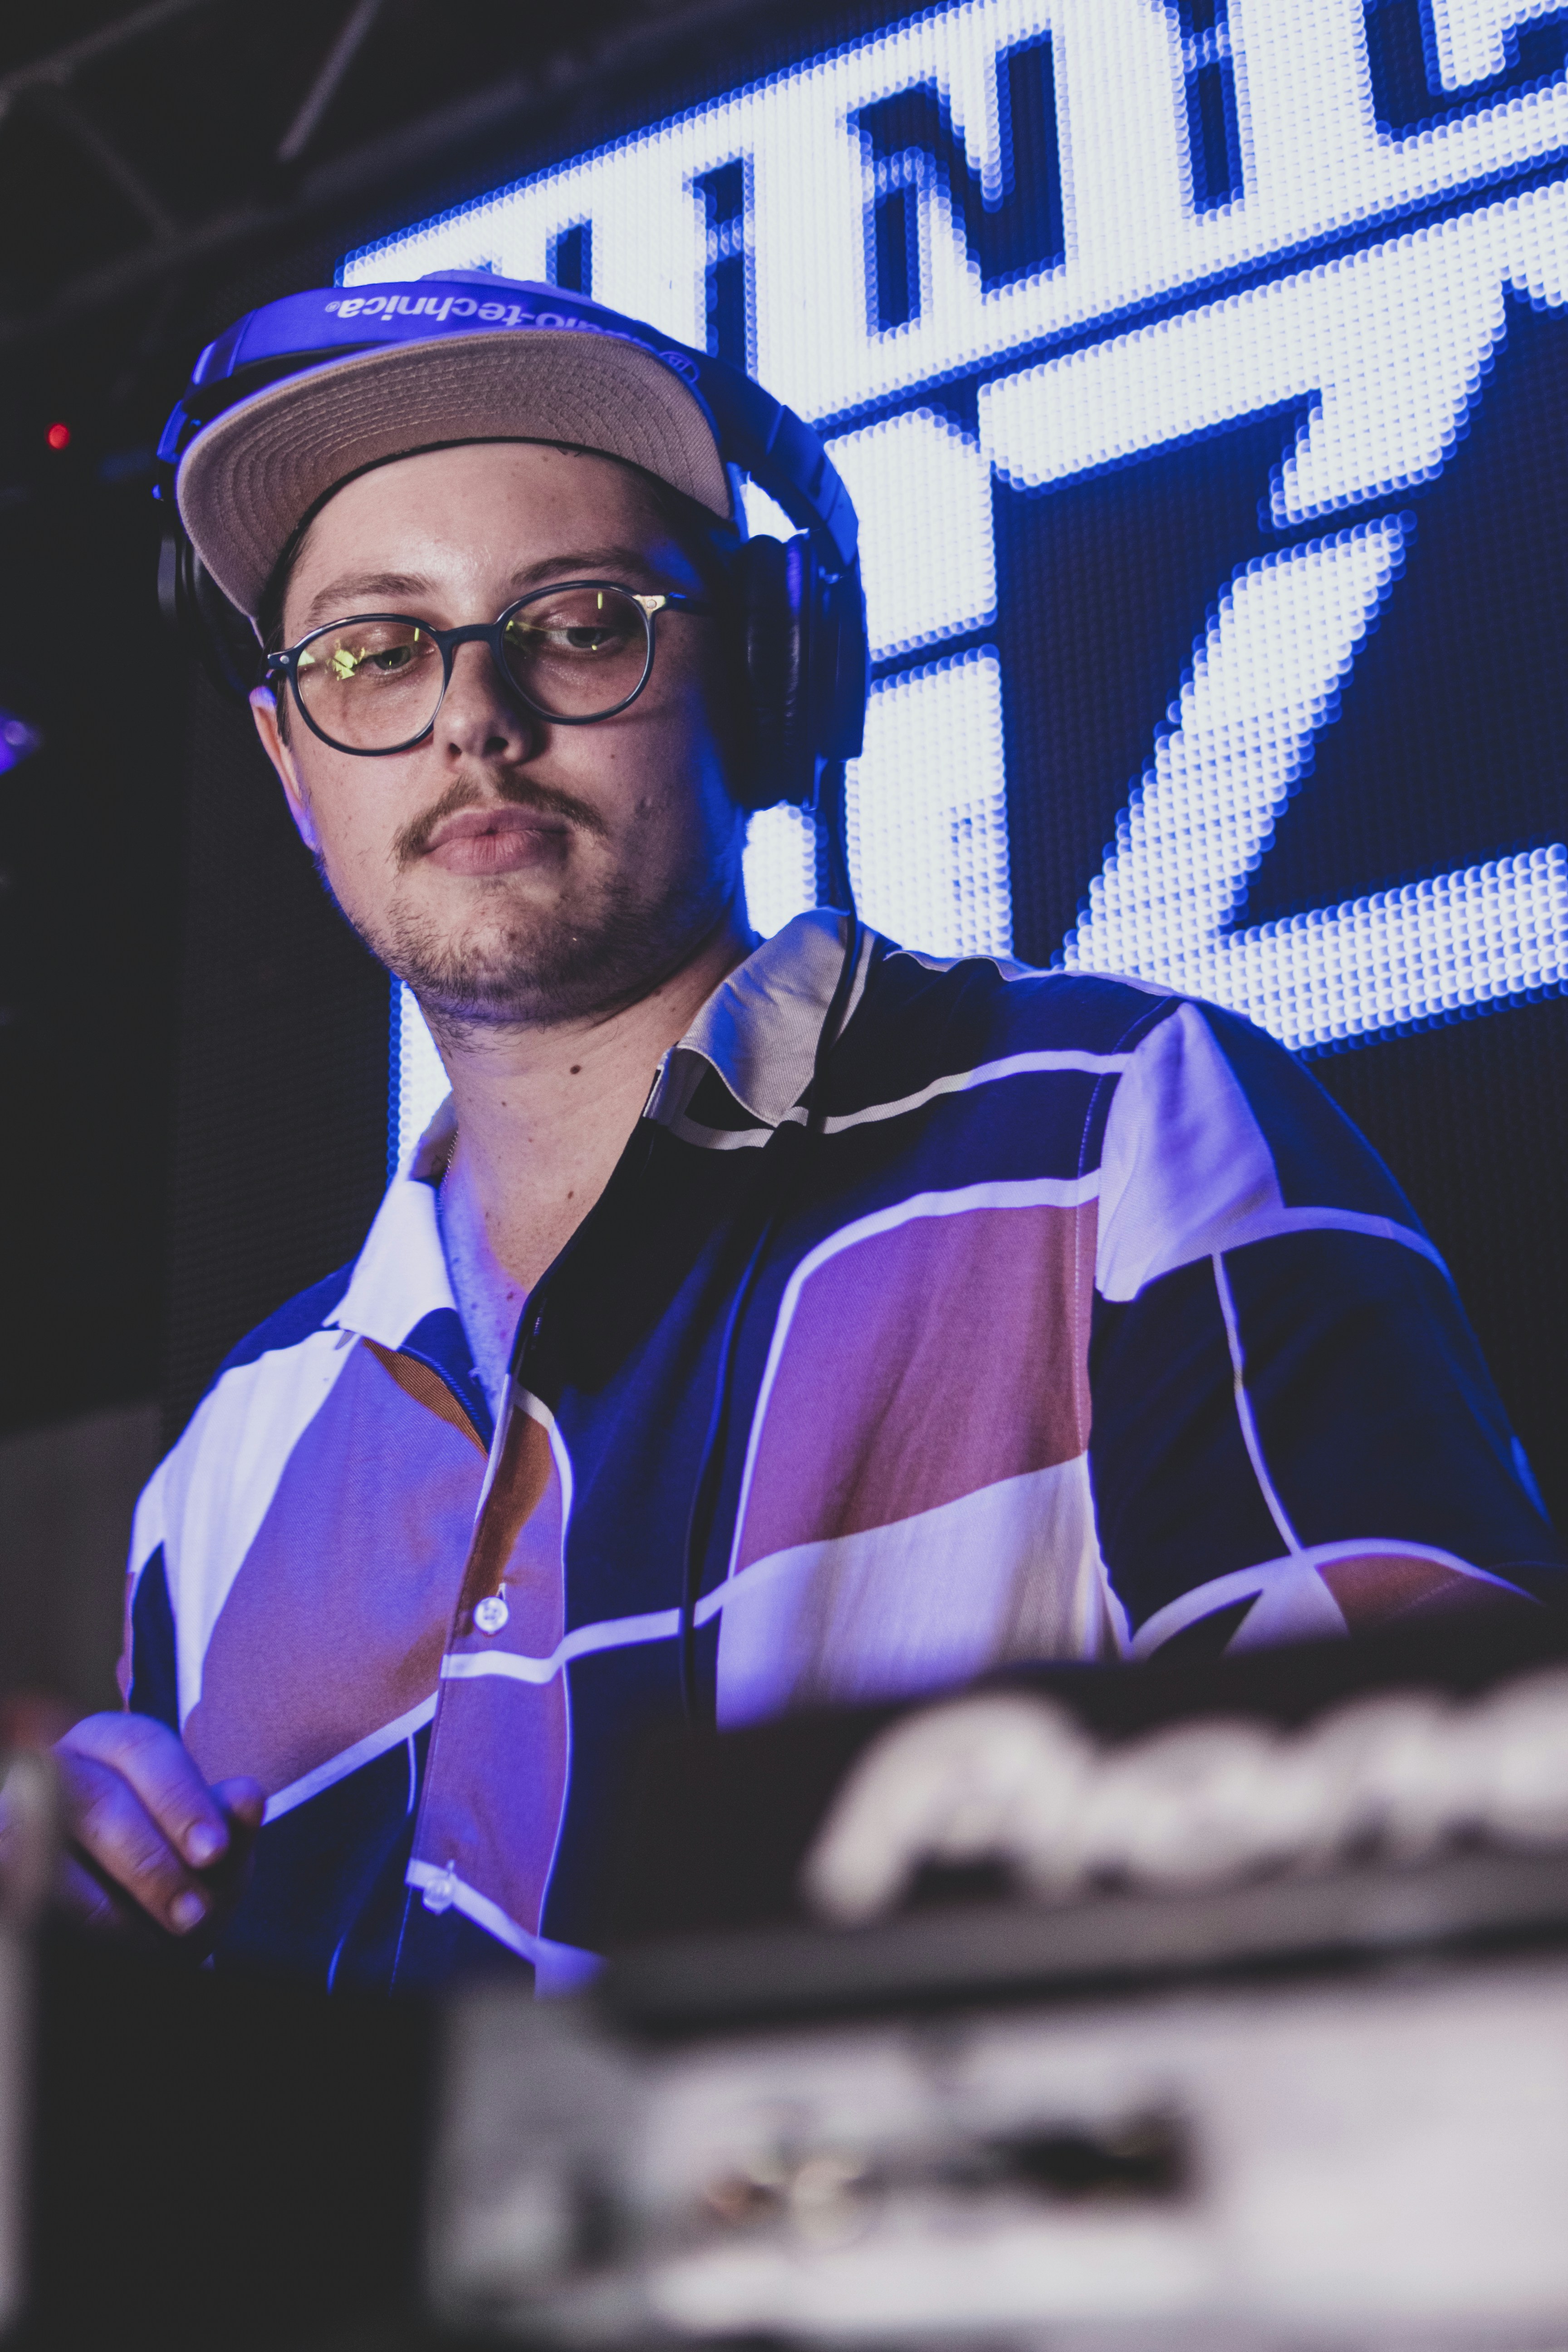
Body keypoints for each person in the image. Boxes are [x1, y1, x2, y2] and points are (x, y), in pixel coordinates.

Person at [56, 277, 1563, 1993]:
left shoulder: (1118, 1131)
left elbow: (1464, 1886)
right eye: (376, 651)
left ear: (772, 677)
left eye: (576, 621)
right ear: (290, 761)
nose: (473, 717)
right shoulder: (221, 1467)